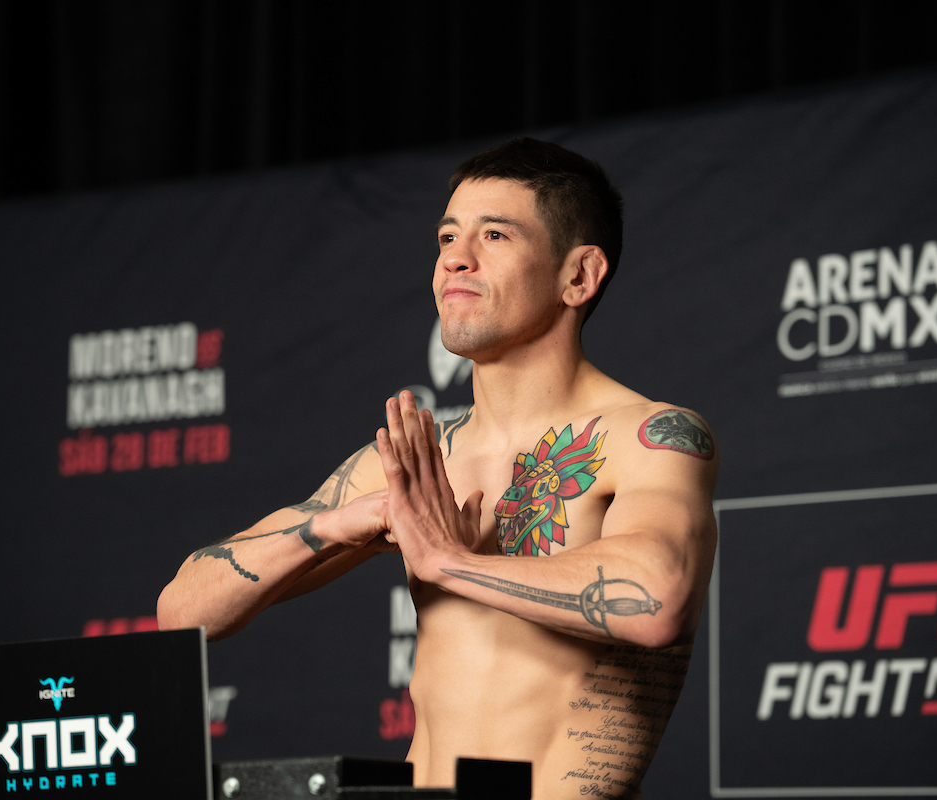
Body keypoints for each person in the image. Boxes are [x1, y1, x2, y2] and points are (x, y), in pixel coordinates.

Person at [158, 138, 718, 799]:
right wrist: (344, 523)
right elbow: (183, 613)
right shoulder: (423, 460)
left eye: (495, 235)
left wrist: (448, 562)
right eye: (447, 237)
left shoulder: (651, 436)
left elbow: (657, 602)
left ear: (579, 276)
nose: (455, 257)